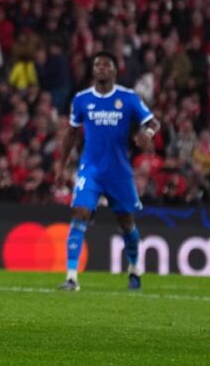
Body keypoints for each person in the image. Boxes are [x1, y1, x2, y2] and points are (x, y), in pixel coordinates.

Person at [56, 50, 160, 291]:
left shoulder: (128, 98)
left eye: (106, 65)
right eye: (97, 65)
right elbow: (71, 133)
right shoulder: (81, 99)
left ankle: (134, 268)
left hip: (119, 172)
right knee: (80, 213)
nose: (101, 68)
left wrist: (148, 133)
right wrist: (61, 166)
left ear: (115, 71)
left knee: (126, 222)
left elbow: (153, 122)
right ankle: (71, 277)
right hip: (90, 169)